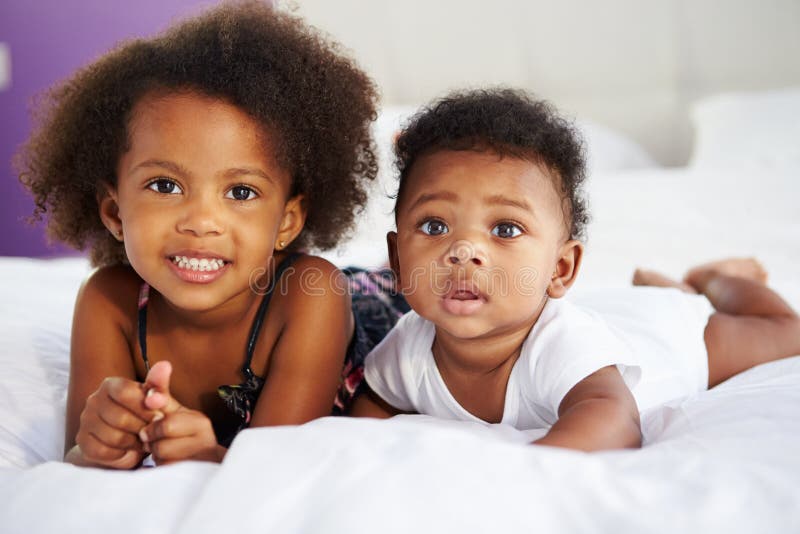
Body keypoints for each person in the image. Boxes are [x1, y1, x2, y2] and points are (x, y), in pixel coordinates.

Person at [16, 2, 407, 468]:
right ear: (114, 212)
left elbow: (275, 469)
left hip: (374, 307)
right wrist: (98, 443)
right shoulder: (110, 302)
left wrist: (207, 457)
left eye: (241, 191)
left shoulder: (313, 297)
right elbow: (81, 457)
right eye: (165, 186)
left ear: (287, 221)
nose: (201, 222)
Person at [351, 89, 800, 451]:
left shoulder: (559, 344)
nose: (464, 250)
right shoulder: (408, 346)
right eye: (435, 226)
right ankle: (677, 285)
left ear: (560, 268)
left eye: (505, 229)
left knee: (784, 332)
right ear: (396, 260)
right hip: (611, 314)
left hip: (666, 334)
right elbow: (371, 406)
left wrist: (530, 467)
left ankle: (713, 280)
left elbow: (611, 417)